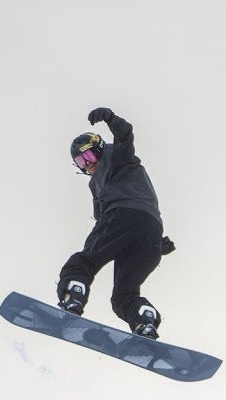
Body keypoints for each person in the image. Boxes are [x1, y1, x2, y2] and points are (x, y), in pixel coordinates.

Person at [56, 107, 176, 340]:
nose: (88, 165)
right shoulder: (95, 186)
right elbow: (102, 220)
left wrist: (110, 118)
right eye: (81, 163)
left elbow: (125, 135)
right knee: (123, 297)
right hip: (149, 230)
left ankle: (73, 294)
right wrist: (158, 243)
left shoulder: (116, 156)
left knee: (82, 263)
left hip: (122, 215)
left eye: (89, 156)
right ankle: (145, 320)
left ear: (100, 150)